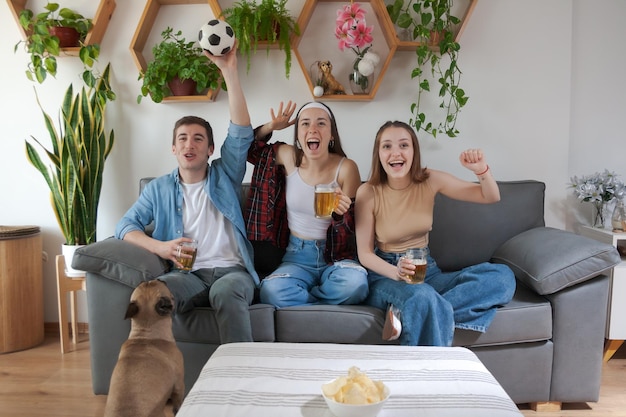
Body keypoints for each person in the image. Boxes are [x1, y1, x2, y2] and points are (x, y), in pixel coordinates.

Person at [114, 45, 258, 344]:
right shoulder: (158, 189)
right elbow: (125, 227)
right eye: (182, 138)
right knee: (152, 295)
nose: (189, 144)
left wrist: (229, 72)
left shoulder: (226, 174)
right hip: (187, 275)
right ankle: (152, 374)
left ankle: (239, 374)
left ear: (210, 149)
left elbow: (241, 132)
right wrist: (162, 248)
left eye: (198, 139)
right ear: (174, 148)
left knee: (226, 293)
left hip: (232, 273)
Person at [355, 120, 515, 346]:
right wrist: (397, 272)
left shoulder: (430, 179)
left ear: (413, 151)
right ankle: (419, 311)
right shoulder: (368, 192)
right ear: (378, 154)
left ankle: (408, 313)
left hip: (427, 272)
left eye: (403, 145)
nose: (395, 153)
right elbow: (365, 254)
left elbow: (490, 196)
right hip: (386, 275)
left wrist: (481, 171)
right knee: (422, 297)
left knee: (502, 277)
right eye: (387, 146)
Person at [245, 101, 369, 307]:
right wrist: (270, 127)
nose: (312, 129)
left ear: (331, 135)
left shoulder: (347, 168)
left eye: (321, 124)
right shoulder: (288, 156)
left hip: (335, 256)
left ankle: (306, 301)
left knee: (355, 285)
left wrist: (343, 214)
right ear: (297, 135)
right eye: (305, 124)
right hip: (297, 255)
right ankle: (322, 301)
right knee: (271, 291)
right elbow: (247, 150)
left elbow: (355, 229)